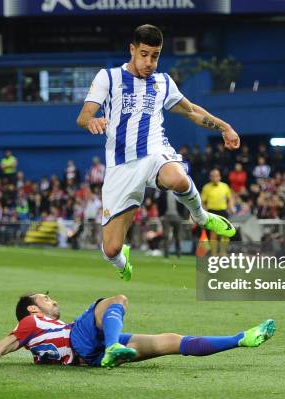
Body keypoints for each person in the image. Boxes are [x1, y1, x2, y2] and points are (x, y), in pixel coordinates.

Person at [76, 24, 238, 281]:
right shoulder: (108, 77)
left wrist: (224, 127)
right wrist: (92, 121)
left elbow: (191, 111)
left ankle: (201, 216)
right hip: (121, 166)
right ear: (132, 49)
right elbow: (83, 116)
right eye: (144, 54)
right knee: (111, 249)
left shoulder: (163, 82)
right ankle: (122, 262)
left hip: (155, 153)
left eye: (155, 55)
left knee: (178, 178)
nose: (149, 62)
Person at [0, 293, 276, 369]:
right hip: (84, 343)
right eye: (44, 298)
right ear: (33, 309)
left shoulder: (43, 330)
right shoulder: (30, 323)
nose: (51, 300)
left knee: (169, 341)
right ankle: (112, 345)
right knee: (113, 301)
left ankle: (240, 339)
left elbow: (3, 349)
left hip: (86, 355)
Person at [201, 169, 235, 256]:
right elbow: (203, 201)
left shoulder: (225, 186)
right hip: (212, 212)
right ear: (210, 177)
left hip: (223, 211)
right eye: (213, 176)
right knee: (213, 235)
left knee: (225, 233)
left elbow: (230, 198)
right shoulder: (206, 187)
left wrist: (231, 207)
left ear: (220, 177)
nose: (215, 178)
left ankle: (222, 252)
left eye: (217, 176)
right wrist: (204, 212)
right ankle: (214, 254)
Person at [156, 188, 188, 258]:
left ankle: (178, 253)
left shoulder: (179, 193)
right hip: (166, 217)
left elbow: (184, 204)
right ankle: (166, 253)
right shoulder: (163, 193)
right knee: (166, 235)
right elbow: (159, 204)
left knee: (178, 236)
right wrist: (161, 215)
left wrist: (182, 216)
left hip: (177, 217)